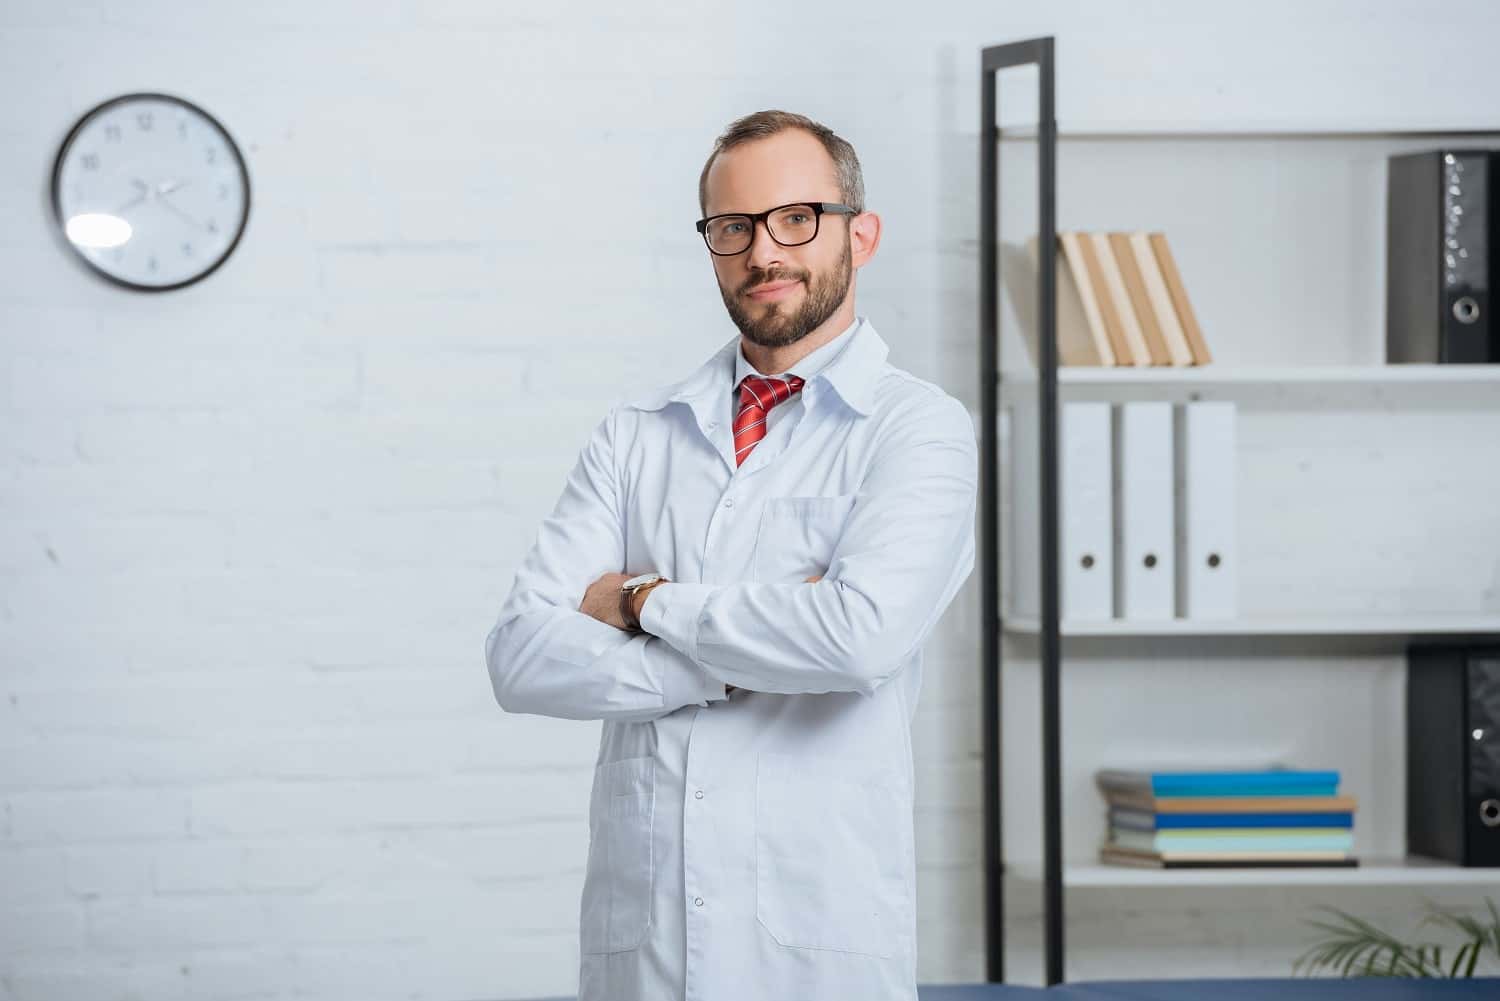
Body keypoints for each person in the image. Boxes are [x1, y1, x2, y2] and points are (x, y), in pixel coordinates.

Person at [484, 109, 977, 1001]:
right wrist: (741, 661)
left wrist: (642, 604)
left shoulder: (919, 429)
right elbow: (521, 658)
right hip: (644, 955)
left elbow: (857, 641)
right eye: (733, 227)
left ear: (859, 234)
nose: (764, 252)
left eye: (797, 218)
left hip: (818, 947)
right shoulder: (636, 437)